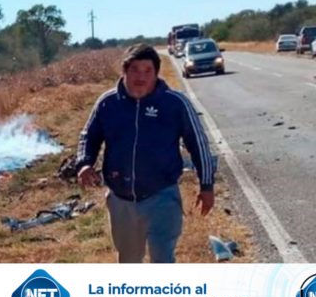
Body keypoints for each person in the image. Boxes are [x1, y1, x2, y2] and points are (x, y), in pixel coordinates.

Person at [77, 43, 215, 265]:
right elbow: (89, 136)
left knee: (162, 259)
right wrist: (84, 163)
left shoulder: (174, 104)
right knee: (129, 261)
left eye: (147, 71)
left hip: (162, 197)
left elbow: (199, 144)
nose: (140, 77)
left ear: (156, 73)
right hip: (121, 200)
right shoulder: (108, 103)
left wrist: (206, 186)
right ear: (124, 71)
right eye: (134, 70)